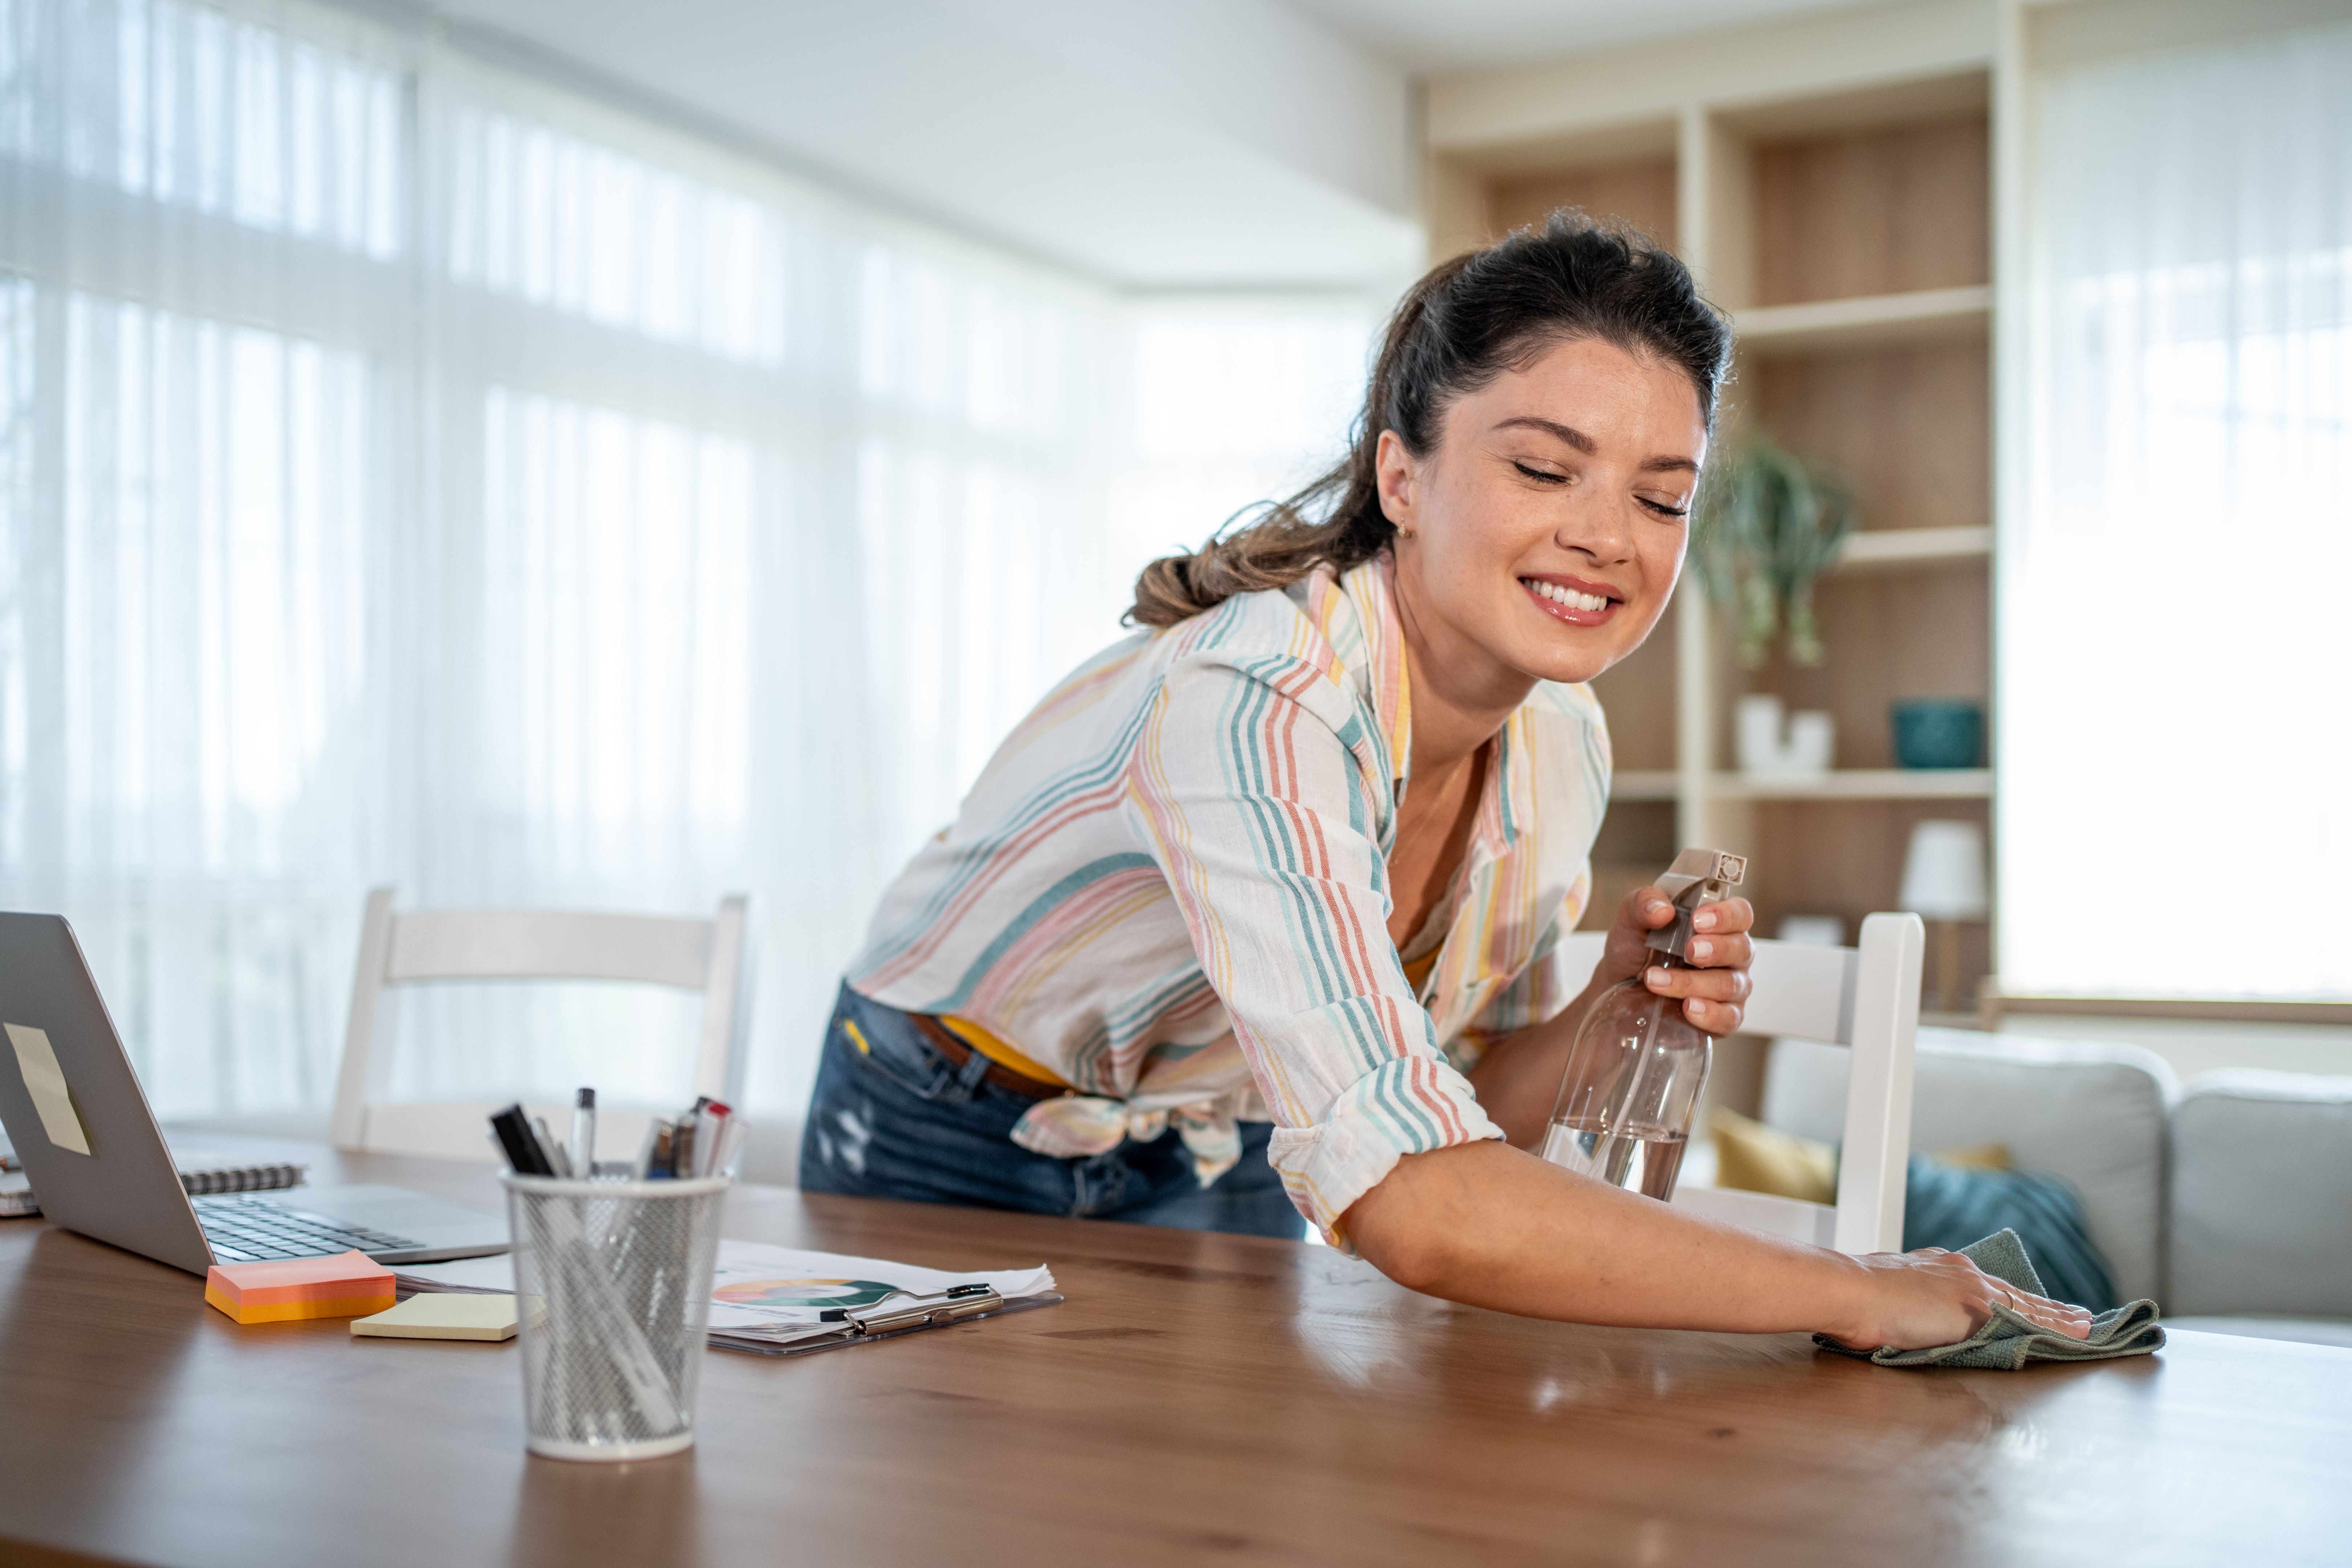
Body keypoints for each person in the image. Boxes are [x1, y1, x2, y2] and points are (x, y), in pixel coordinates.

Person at [801, 213, 2088, 1352]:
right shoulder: (1257, 698)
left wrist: (1604, 1006)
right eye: (1544, 469)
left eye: (1663, 497)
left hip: (1220, 1121)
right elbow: (1419, 1205)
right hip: (947, 1120)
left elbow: (1467, 1114)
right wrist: (1851, 1289)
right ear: (1399, 476)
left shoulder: (1563, 743)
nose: (1607, 535)